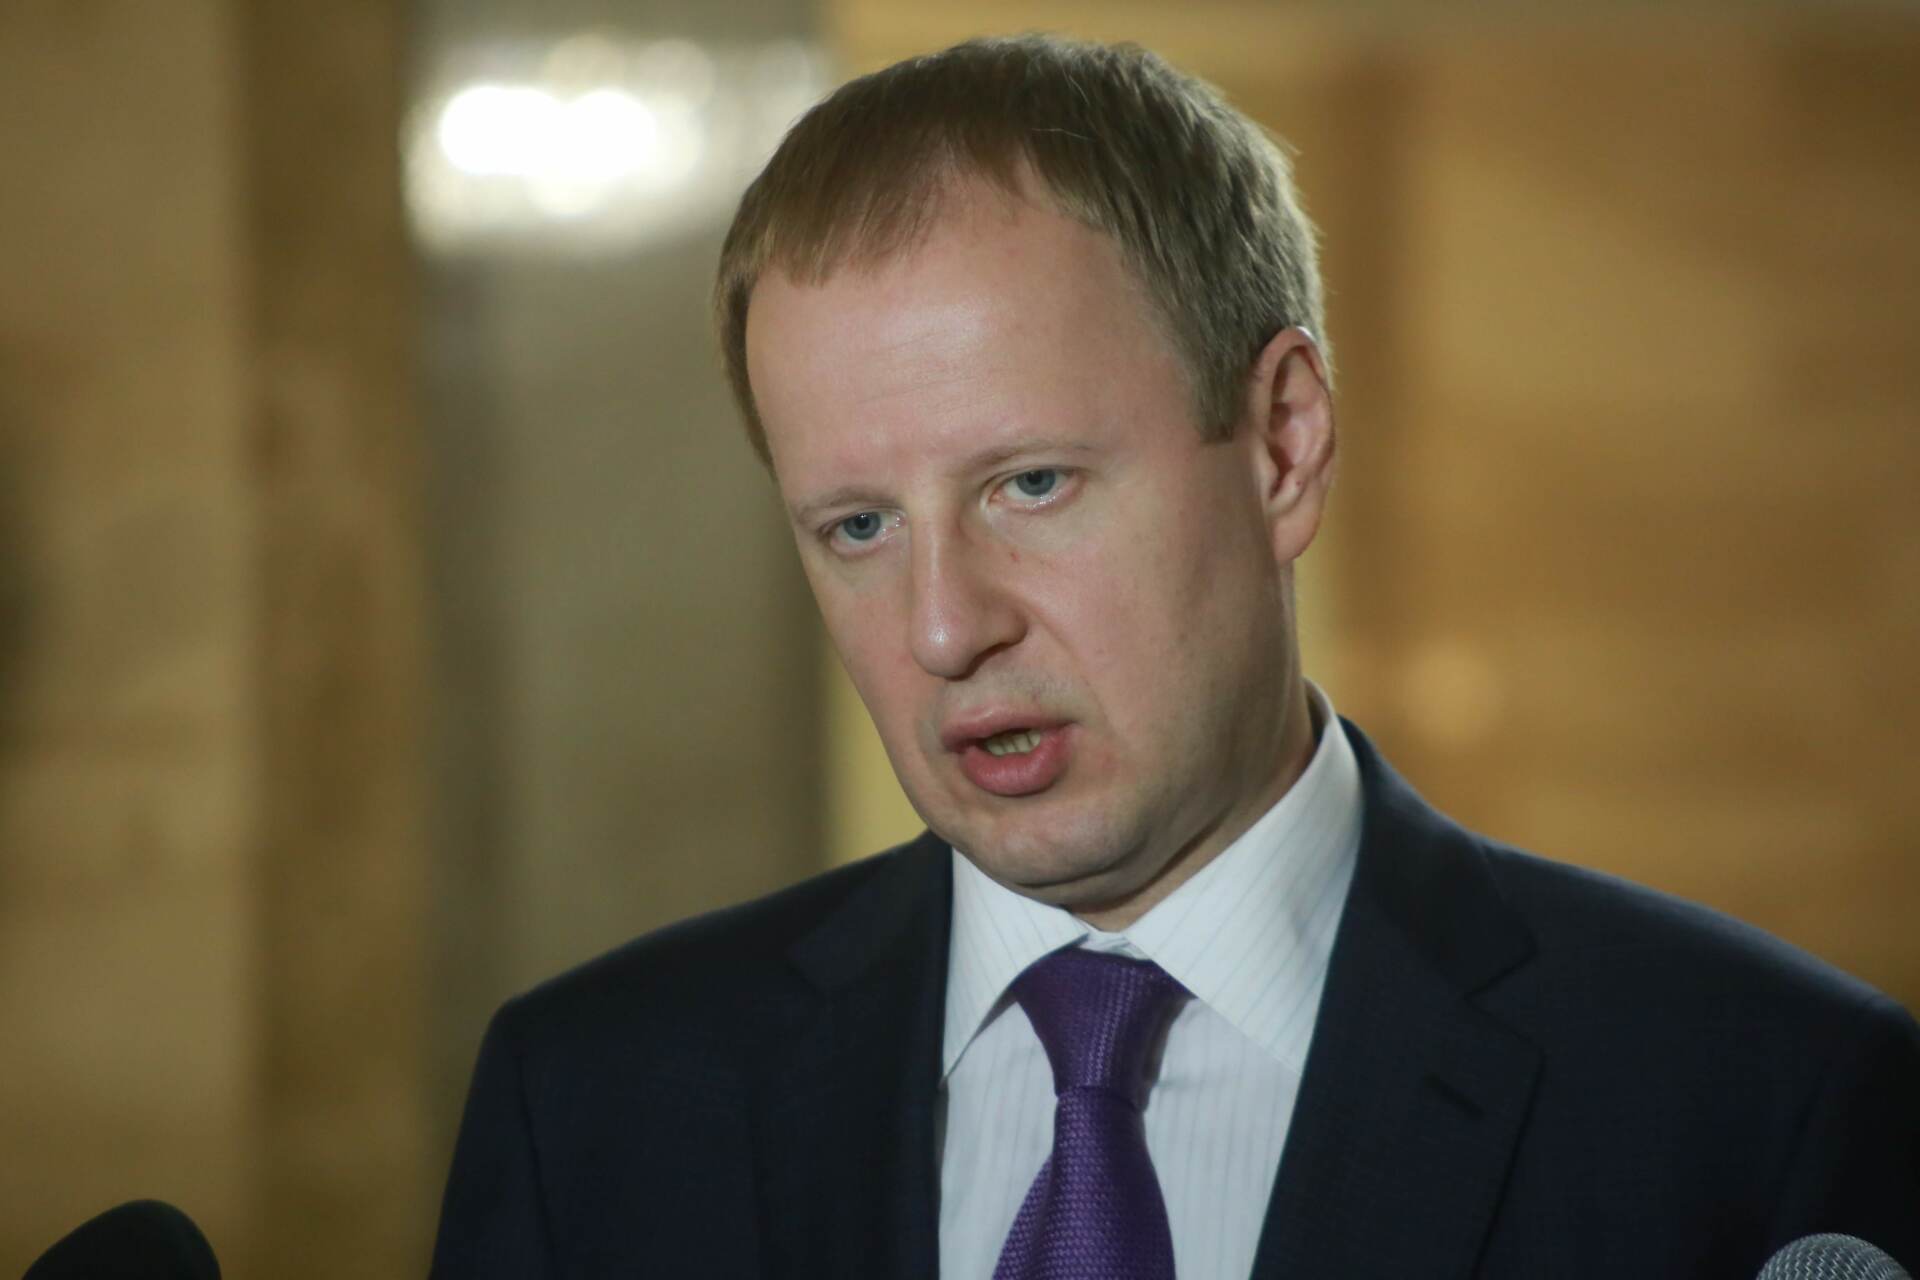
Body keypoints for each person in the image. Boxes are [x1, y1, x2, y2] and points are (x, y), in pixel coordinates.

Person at [430, 34, 1920, 1279]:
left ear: (1283, 444)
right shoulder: (594, 1106)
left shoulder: (1759, 1104)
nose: (944, 628)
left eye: (1031, 485)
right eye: (858, 526)